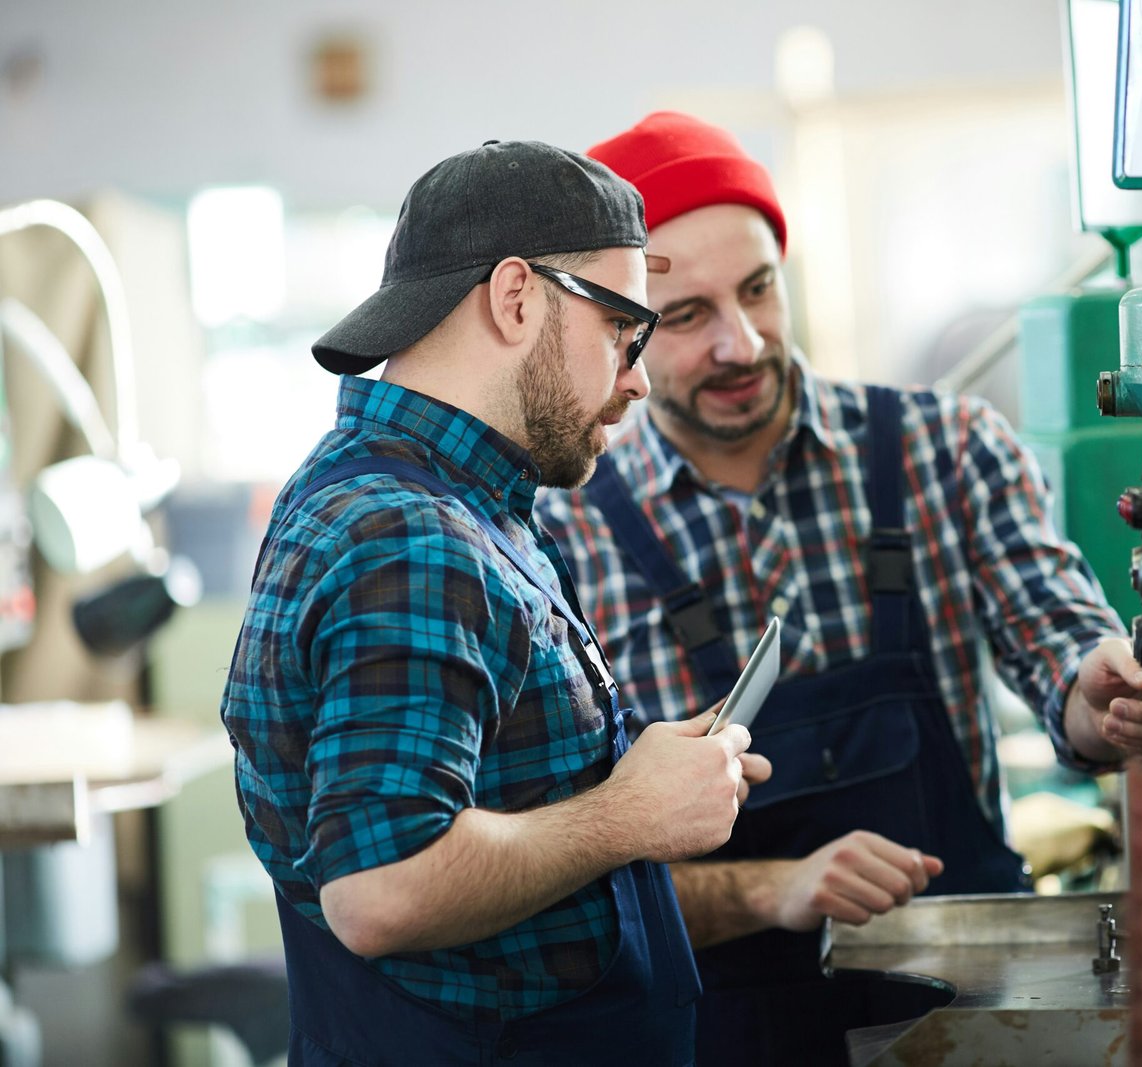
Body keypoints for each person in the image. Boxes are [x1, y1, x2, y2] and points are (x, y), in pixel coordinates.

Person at [534, 112, 1142, 1066]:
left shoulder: (943, 449)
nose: (741, 345)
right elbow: (585, 876)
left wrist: (1100, 693)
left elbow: (1063, 649)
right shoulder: (566, 536)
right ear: (621, 333)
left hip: (977, 1015)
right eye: (689, 317)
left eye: (758, 291)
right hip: (720, 1032)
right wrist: (779, 883)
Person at [220, 139, 770, 1067]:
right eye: (622, 332)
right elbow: (381, 887)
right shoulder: (411, 536)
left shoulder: (446, 499)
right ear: (517, 298)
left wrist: (633, 776)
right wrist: (625, 816)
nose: (637, 375)